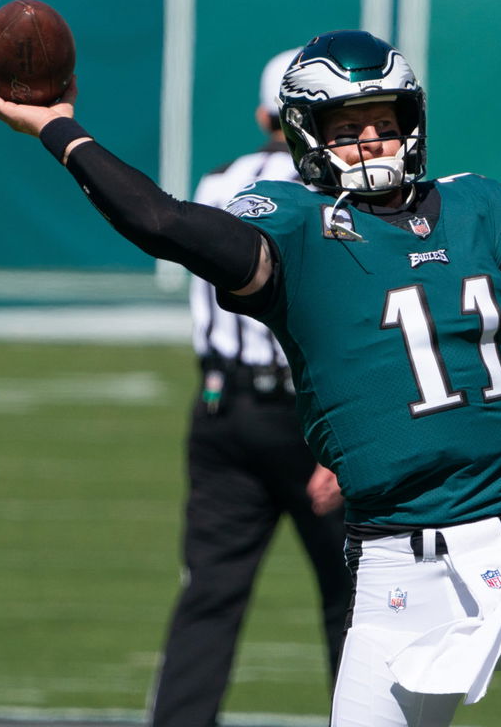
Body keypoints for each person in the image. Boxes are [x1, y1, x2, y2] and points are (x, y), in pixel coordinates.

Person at [0, 29, 501, 727]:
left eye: (381, 119)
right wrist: (58, 128)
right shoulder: (294, 226)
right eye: (344, 125)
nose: (368, 139)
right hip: (404, 577)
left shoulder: (477, 203)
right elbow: (163, 222)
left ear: (411, 120)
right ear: (305, 135)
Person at [146, 49, 351, 727]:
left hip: (221, 405)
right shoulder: (329, 192)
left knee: (209, 595)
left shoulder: (217, 181)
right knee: (353, 600)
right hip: (313, 419)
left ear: (265, 116)